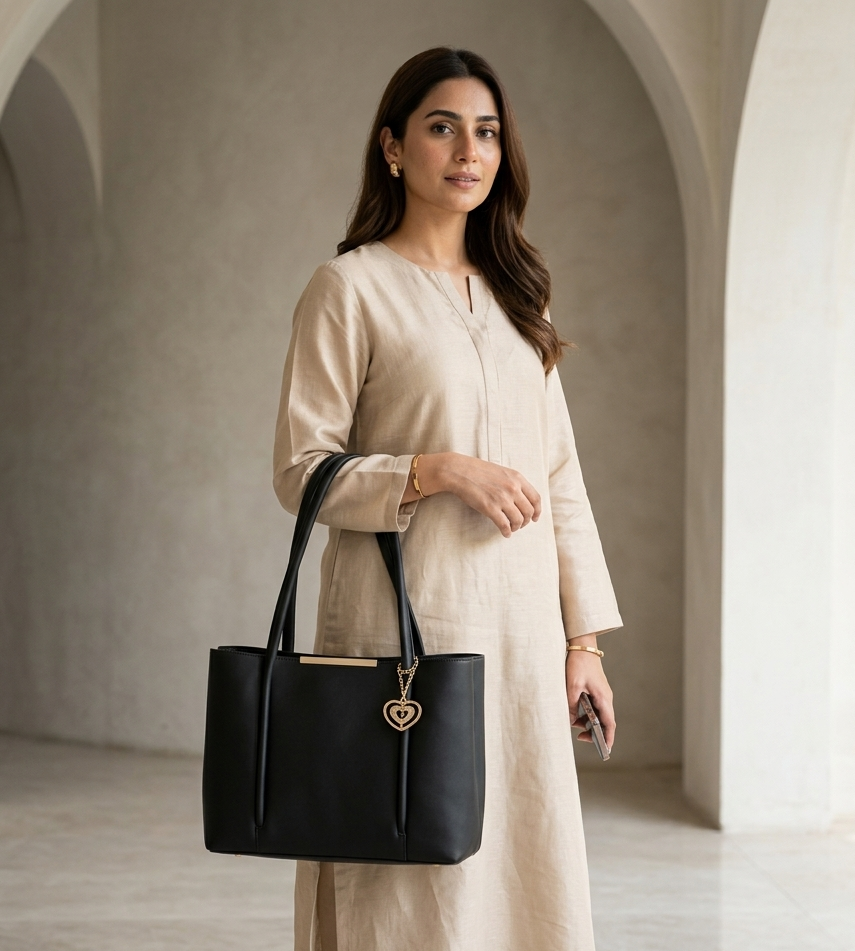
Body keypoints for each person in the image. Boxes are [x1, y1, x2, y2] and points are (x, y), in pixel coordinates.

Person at [273, 46, 622, 951]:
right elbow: (299, 469)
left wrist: (581, 641)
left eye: (487, 133)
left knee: (520, 863)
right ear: (392, 148)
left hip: (516, 642)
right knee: (405, 877)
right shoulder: (348, 288)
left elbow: (560, 479)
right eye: (442, 128)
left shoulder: (516, 298)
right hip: (404, 632)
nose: (468, 151)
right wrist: (434, 470)